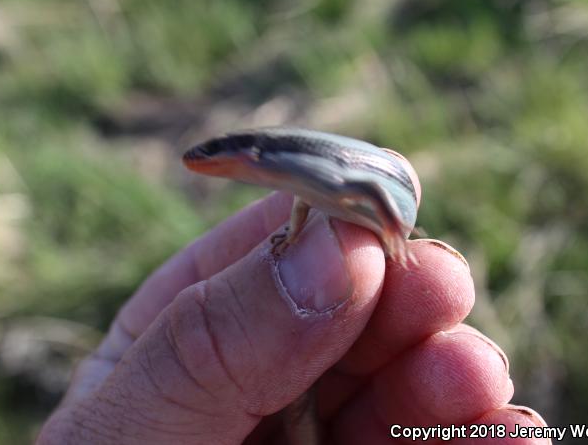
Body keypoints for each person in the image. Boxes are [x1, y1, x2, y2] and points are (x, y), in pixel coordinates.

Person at [37, 155, 550, 444]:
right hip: (307, 365)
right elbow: (304, 206)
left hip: (332, 343)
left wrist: (387, 240)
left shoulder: (335, 202)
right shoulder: (310, 202)